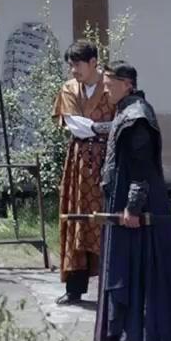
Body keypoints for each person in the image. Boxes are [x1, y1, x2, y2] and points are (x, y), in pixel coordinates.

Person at [94, 62, 171, 341]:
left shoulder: (138, 117)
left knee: (141, 268)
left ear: (127, 84)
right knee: (123, 263)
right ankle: (121, 330)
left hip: (138, 204)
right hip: (121, 197)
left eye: (110, 83)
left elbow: (142, 168)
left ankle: (145, 336)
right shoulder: (125, 109)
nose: (105, 88)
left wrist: (132, 207)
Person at [53, 40, 114, 306]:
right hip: (78, 161)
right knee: (77, 219)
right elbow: (74, 125)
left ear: (93, 63)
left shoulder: (110, 87)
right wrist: (101, 126)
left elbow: (120, 123)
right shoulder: (69, 89)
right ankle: (75, 288)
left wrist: (99, 127)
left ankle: (110, 287)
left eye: (78, 64)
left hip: (107, 161)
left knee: (106, 219)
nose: (73, 70)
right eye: (71, 65)